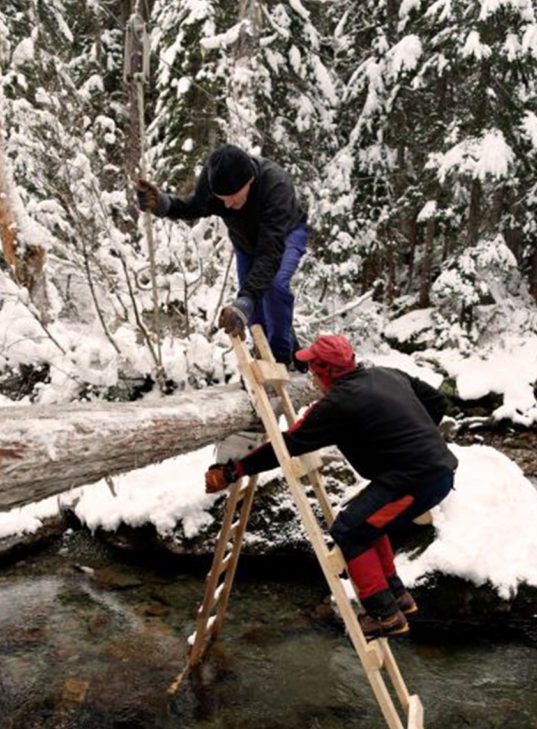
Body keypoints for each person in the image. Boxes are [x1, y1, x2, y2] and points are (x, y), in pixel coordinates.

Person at [204, 334, 458, 640]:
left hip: (418, 481)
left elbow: (288, 445)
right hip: (428, 473)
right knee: (363, 521)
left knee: (349, 531)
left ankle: (384, 615)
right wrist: (408, 438)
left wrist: (234, 470)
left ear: (326, 371)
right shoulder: (386, 373)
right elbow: (436, 401)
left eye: (313, 368)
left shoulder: (338, 404)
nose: (311, 375)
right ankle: (397, 596)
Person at [136, 144, 308, 366]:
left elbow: (270, 253)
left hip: (286, 235)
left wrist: (247, 298)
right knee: (251, 308)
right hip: (246, 243)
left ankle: (281, 360)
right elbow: (195, 207)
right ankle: (273, 352)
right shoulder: (211, 183)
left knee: (273, 286)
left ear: (249, 181)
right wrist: (164, 204)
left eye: (233, 197)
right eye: (221, 198)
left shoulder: (276, 186)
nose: (227, 204)